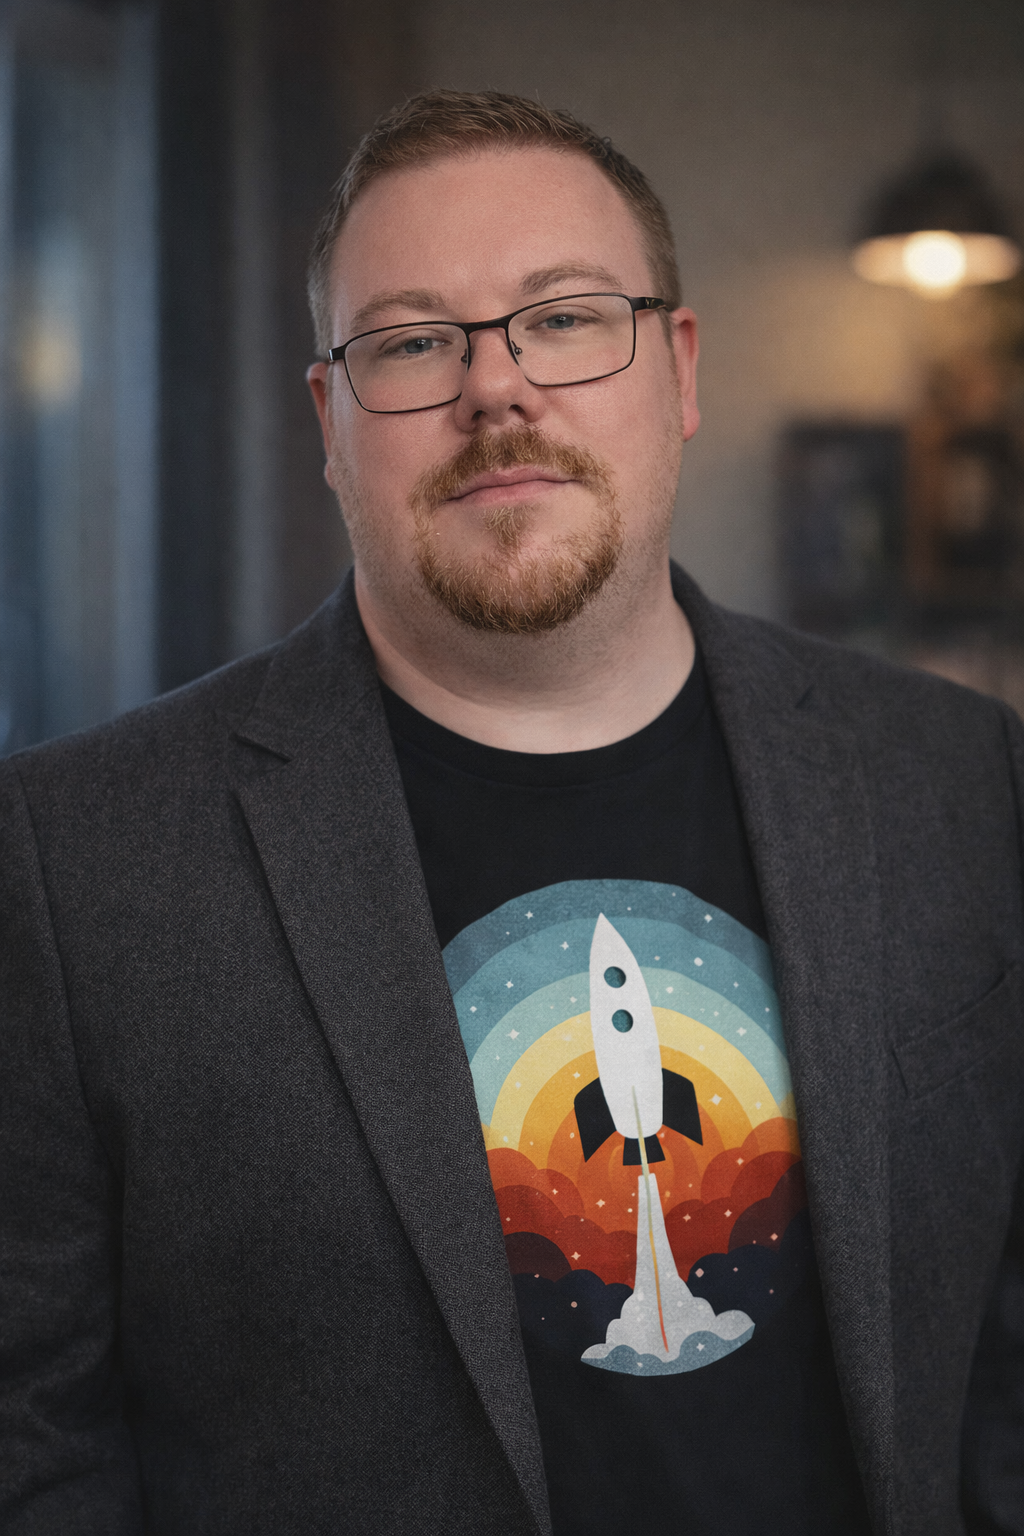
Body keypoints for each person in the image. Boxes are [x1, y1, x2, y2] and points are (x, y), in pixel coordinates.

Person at [1, 89, 1021, 1536]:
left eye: (563, 317)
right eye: (413, 342)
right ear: (330, 420)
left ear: (675, 368)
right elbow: (33, 1445)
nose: (498, 389)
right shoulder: (70, 860)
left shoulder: (961, 778)